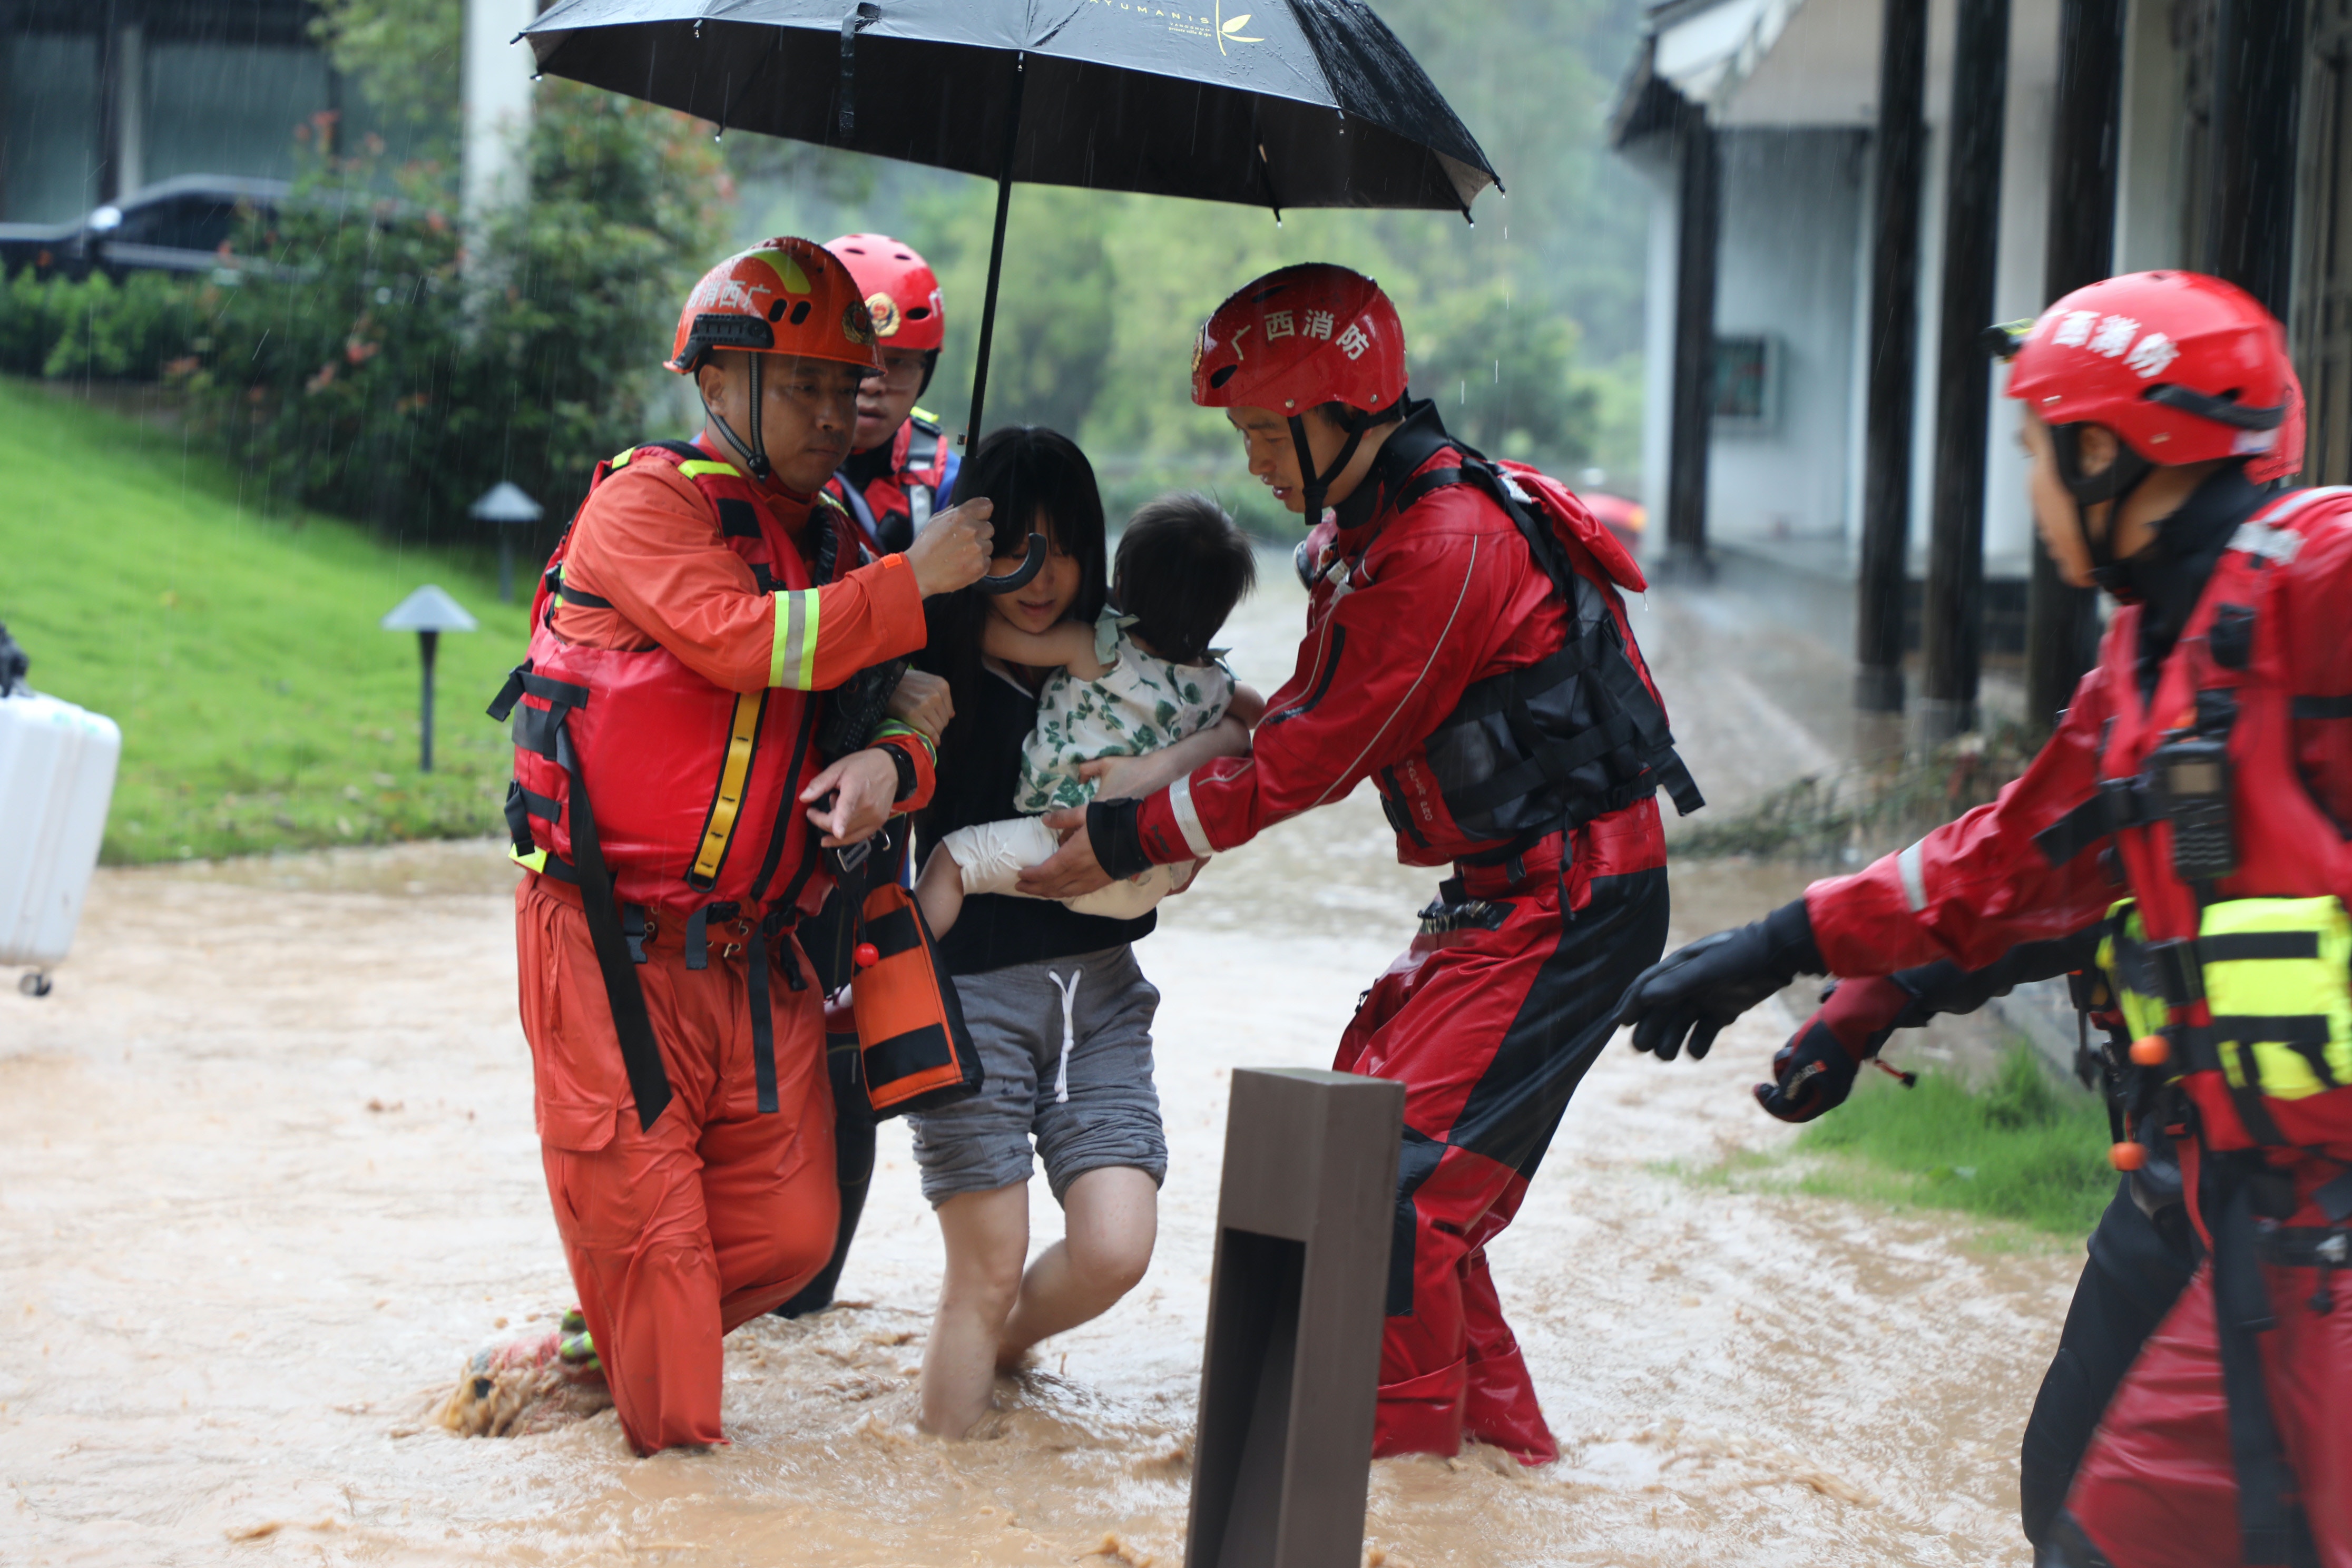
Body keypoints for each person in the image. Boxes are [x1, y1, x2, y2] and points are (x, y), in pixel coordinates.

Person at [1614, 270, 2352, 1568]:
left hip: (2311, 1217)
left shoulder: (2316, 572)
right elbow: (2006, 867)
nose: (2027, 487)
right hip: (2228, 1192)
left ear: (2106, 454)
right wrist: (1795, 962)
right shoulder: (2145, 661)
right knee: (2070, 1510)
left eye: (2034, 450)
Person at [1020, 262, 1704, 1463]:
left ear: (1333, 411)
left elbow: (1313, 754)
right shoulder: (1372, 529)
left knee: (1385, 1194)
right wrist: (1164, 792)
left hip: (1567, 901)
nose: (1250, 464)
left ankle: (1382, 1484)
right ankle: (1500, 1469)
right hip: (1504, 897)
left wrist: (1133, 835)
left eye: (1259, 432)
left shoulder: (1441, 543)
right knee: (1396, 1185)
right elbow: (1296, 720)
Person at [490, 236, 997, 1456]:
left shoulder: (837, 546)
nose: (834, 413)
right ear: (715, 382)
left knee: (790, 1239)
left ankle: (585, 1356)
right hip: (610, 951)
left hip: (755, 958)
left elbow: (906, 706)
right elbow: (740, 640)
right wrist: (916, 581)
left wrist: (893, 764)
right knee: (666, 1273)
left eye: (847, 386)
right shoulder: (646, 503)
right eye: (802, 384)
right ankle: (673, 1474)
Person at [907, 429, 1256, 1439]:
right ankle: (947, 1489)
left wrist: (1159, 772)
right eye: (1011, 548)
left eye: (1061, 549)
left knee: (1114, 1249)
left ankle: (999, 1349)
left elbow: (1255, 725)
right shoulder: (935, 662)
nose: (1037, 575)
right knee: (983, 1271)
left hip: (1100, 993)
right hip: (971, 1001)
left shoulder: (1131, 648)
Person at [1763, 935, 2200, 1554]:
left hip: (2297, 1236)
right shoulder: (2133, 874)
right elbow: (2039, 901)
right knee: (2064, 1497)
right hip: (2166, 1200)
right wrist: (1872, 993)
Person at [915, 492, 1262, 936]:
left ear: (1120, 577)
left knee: (951, 862)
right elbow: (1260, 713)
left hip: (1062, 842)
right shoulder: (1216, 684)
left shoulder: (1092, 648)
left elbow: (985, 635)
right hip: (1154, 865)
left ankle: (895, 964)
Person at [823, 233, 959, 555]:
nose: (873, 384)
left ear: (926, 372)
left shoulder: (948, 484)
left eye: (898, 363)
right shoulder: (763, 465)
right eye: (853, 360)